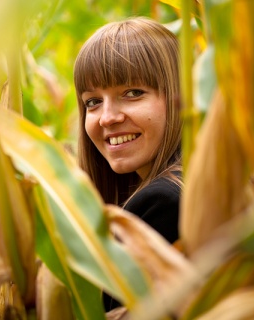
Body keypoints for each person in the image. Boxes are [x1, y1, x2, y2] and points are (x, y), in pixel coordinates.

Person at [73, 17, 182, 311]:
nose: (107, 117)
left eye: (133, 93)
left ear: (180, 99)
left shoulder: (164, 203)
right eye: (93, 101)